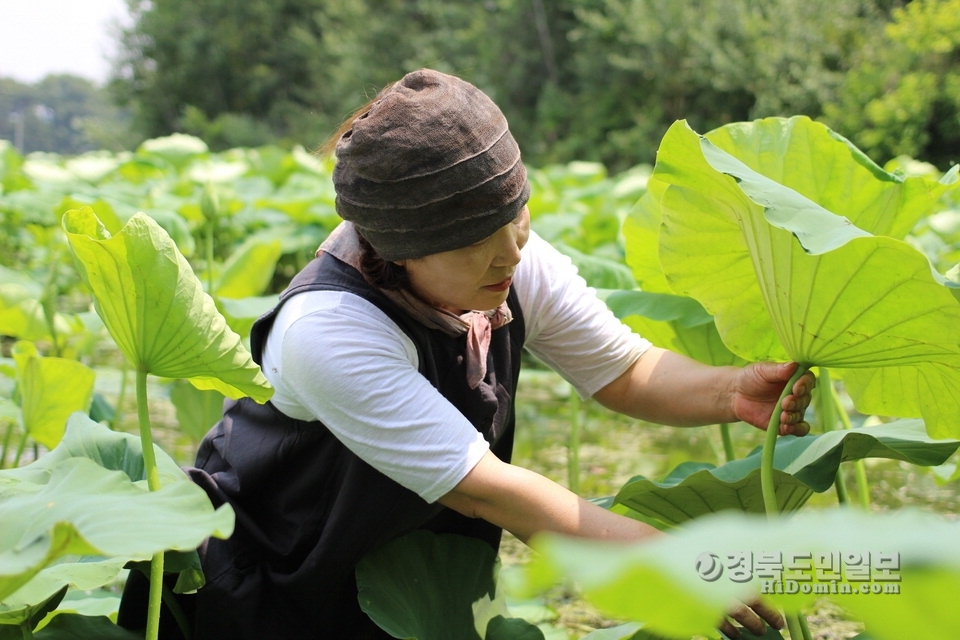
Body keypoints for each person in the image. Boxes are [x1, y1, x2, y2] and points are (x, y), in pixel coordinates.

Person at [120, 68, 814, 639]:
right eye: (476, 238)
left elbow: (624, 371)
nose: (511, 250)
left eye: (517, 216)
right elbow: (486, 490)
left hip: (406, 575)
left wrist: (732, 391)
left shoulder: (509, 257)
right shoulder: (328, 329)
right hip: (276, 580)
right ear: (398, 249)